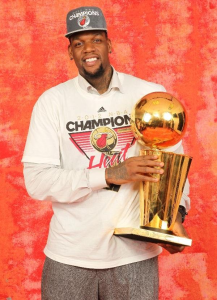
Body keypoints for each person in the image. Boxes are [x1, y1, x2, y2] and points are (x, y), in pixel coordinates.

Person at [22, 6, 190, 300]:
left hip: (134, 256)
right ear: (70, 52)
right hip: (70, 254)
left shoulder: (148, 93)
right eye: (78, 43)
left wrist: (174, 215)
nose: (88, 49)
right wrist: (110, 174)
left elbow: (173, 163)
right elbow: (37, 180)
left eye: (96, 39)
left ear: (110, 44)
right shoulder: (52, 102)